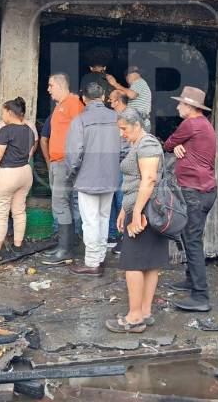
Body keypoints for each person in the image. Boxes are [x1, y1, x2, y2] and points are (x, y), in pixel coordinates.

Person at [106, 108, 165, 333]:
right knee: (149, 263)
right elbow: (134, 181)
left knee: (132, 263)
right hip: (144, 209)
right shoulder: (138, 144)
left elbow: (149, 179)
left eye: (124, 129)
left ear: (137, 125)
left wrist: (137, 213)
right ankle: (145, 311)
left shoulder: (147, 144)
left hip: (146, 211)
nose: (121, 133)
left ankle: (134, 317)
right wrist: (124, 209)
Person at [163, 86, 217, 312]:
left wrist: (175, 147)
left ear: (190, 107)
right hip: (205, 190)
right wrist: (179, 147)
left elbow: (167, 144)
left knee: (192, 242)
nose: (177, 106)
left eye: (180, 104)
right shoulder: (204, 124)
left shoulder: (191, 124)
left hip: (194, 191)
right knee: (192, 239)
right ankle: (190, 279)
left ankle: (200, 296)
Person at [65, 82, 121, 276]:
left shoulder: (80, 121)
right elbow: (125, 148)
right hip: (111, 178)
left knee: (90, 221)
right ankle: (100, 258)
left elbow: (74, 155)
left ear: (83, 98)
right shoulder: (117, 118)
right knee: (104, 218)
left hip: (87, 178)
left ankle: (91, 263)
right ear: (104, 96)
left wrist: (71, 175)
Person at [0, 97, 37, 260]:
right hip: (25, 173)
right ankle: (17, 246)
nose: (2, 116)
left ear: (9, 112)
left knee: (1, 214)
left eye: (3, 112)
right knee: (19, 211)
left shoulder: (5, 131)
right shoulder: (29, 130)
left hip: (8, 174)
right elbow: (28, 152)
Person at [42, 73, 85, 265]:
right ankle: (63, 246)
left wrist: (72, 160)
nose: (48, 89)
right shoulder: (59, 106)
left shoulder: (74, 103)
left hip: (65, 162)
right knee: (61, 203)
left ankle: (66, 249)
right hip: (57, 162)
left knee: (61, 203)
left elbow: (82, 133)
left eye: (51, 85)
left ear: (60, 85)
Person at [107, 90, 130, 253]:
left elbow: (126, 144)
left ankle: (124, 238)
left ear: (119, 101)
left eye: (112, 100)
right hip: (113, 164)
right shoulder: (114, 117)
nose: (109, 102)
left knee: (122, 200)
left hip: (124, 163)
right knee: (112, 199)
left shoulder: (129, 116)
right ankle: (113, 235)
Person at [106, 66, 152, 131]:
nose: (127, 81)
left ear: (128, 76)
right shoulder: (140, 85)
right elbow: (124, 93)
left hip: (140, 125)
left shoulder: (138, 82)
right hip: (140, 123)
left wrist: (115, 84)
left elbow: (132, 95)